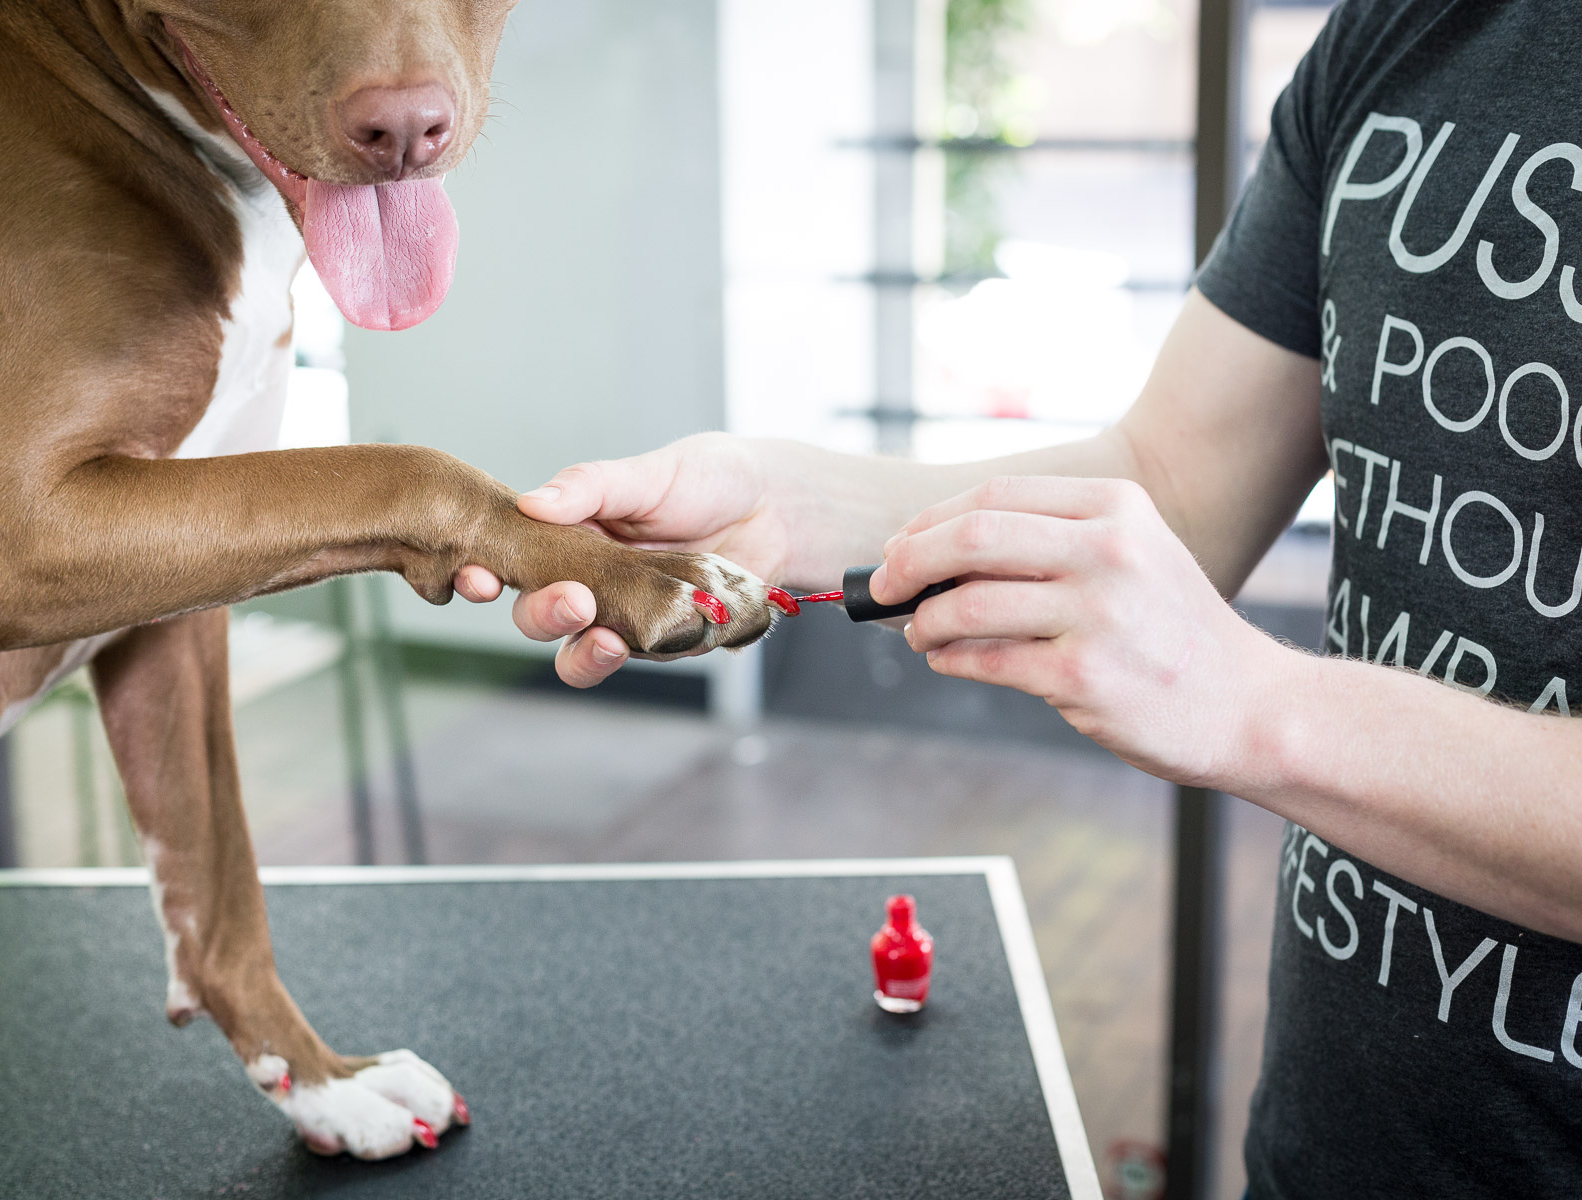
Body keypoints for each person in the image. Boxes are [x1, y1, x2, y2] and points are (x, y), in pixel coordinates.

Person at [450, 2, 1582, 1195]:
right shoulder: (1403, 30)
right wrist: (782, 508)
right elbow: (1176, 481)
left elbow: (1233, 668)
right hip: (1332, 1149)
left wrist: (1256, 708)